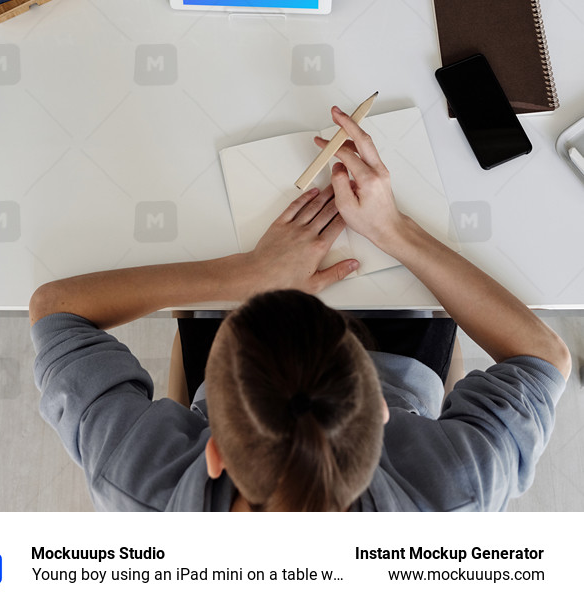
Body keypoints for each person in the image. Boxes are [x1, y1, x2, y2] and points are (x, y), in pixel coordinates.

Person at [29, 106, 571, 511]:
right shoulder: (455, 496)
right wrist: (394, 230)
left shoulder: (136, 484)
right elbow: (543, 356)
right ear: (382, 413)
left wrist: (247, 276)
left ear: (214, 453)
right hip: (395, 364)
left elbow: (56, 309)